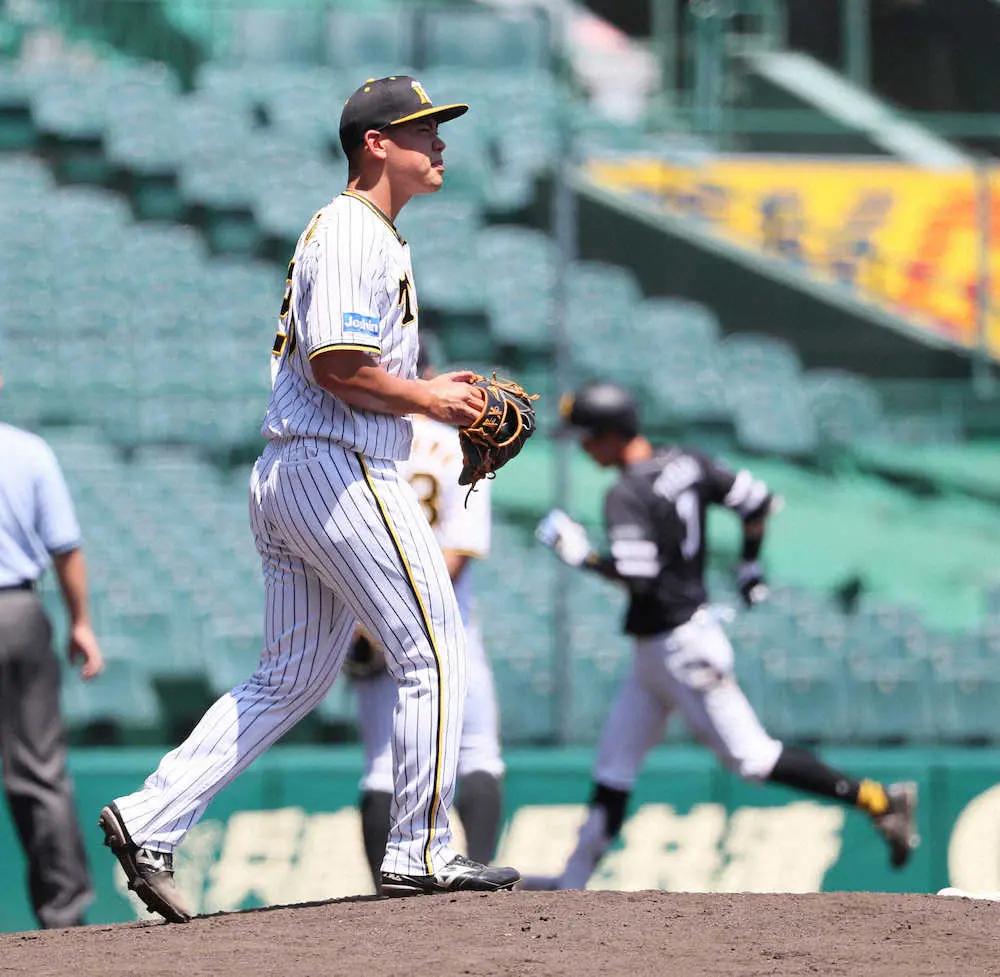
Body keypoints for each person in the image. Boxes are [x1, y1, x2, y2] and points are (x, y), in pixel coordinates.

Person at [98, 75, 520, 923]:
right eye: (423, 130)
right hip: (339, 465)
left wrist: (422, 391)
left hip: (301, 470)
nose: (439, 143)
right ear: (375, 143)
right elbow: (337, 364)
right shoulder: (354, 231)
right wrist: (431, 398)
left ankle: (149, 816)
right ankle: (423, 848)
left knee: (291, 675)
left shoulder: (367, 234)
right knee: (436, 645)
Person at [525, 379, 918, 890]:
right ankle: (572, 883)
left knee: (753, 759)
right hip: (661, 646)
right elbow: (756, 501)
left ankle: (879, 800)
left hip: (681, 646)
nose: (582, 447)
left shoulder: (627, 492)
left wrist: (584, 556)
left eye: (588, 436)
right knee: (614, 765)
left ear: (611, 433)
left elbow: (637, 574)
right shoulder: (686, 460)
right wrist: (749, 565)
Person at [348, 335, 505, 891]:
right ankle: (477, 867)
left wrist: (371, 617)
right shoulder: (460, 443)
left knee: (382, 762)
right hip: (449, 623)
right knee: (477, 750)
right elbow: (457, 552)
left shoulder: (360, 441)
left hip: (373, 619)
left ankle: (385, 892)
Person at [0, 375, 105, 928]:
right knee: (39, 771)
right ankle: (65, 917)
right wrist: (81, 623)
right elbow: (65, 548)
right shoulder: (27, 451)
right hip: (16, 613)